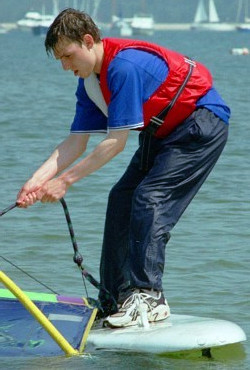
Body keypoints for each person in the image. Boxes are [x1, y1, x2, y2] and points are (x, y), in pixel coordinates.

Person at [17, 8, 230, 328]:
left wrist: (64, 182)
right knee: (121, 198)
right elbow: (75, 144)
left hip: (200, 125)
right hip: (164, 132)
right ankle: (114, 298)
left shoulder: (124, 67)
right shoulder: (89, 82)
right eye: (59, 60)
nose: (65, 66)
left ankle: (149, 296)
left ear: (88, 41)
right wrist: (34, 182)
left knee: (149, 197)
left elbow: (115, 143)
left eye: (68, 55)